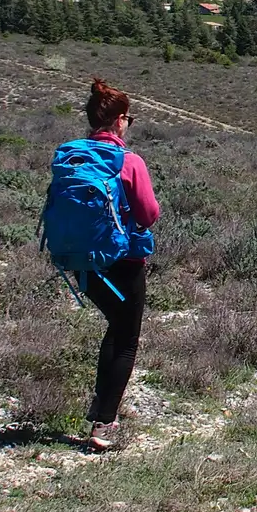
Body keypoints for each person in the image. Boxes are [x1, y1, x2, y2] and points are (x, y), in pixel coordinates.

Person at [78, 79, 160, 451]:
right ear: (121, 121)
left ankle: (100, 406)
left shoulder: (74, 155)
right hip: (124, 262)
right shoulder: (129, 161)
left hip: (82, 261)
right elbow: (149, 213)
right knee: (126, 340)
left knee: (115, 327)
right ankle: (104, 423)